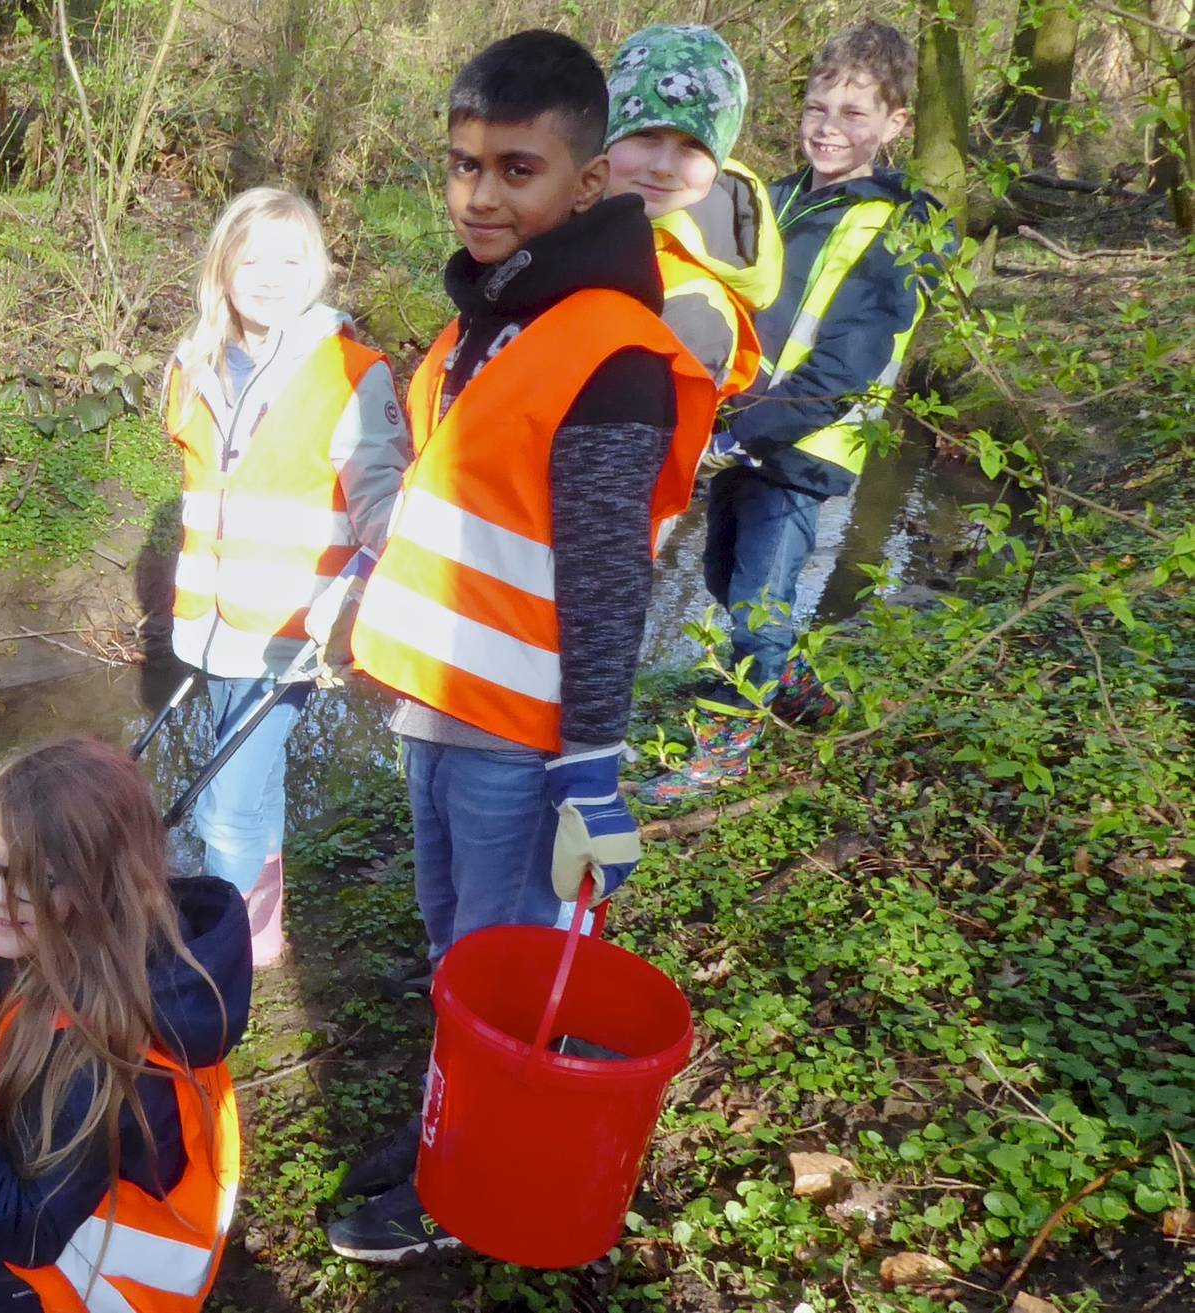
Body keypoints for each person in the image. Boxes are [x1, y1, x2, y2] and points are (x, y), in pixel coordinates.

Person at [332, 29, 715, 1261]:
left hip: (521, 735)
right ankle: (455, 1121)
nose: (482, 195)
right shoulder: (491, 318)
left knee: (505, 972)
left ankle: (473, 1188)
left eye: (516, 170)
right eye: (462, 167)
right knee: (461, 955)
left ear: (587, 182)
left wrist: (591, 766)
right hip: (441, 710)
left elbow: (607, 588)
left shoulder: (607, 352)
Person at [636, 20, 946, 804]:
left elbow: (851, 357)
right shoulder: (774, 198)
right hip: (737, 431)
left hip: (805, 443)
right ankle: (801, 693)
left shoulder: (902, 223)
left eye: (853, 113)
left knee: (758, 603)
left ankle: (722, 755)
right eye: (818, 107)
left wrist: (751, 431)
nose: (828, 128)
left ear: (896, 124)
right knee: (720, 574)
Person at [0, 737, 252, 1313]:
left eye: (39, 877)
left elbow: (29, 1234)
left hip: (107, 1288)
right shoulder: (137, 954)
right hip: (100, 1236)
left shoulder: (97, 1057)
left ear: (102, 887)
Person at [164, 186, 412, 968]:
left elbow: (383, 503)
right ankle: (259, 934)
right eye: (254, 256)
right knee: (253, 785)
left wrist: (369, 588)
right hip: (213, 622)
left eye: (292, 258)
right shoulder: (192, 363)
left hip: (293, 630)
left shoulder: (348, 371)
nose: (270, 275)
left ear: (318, 271)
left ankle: (217, 960)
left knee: (224, 806)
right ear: (223, 265)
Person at [601, 23, 781, 397]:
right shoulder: (555, 231)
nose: (665, 166)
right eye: (645, 135)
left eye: (693, 146)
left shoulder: (695, 310)